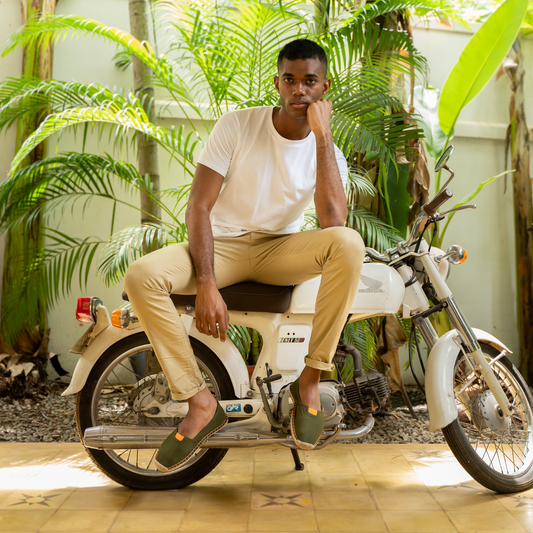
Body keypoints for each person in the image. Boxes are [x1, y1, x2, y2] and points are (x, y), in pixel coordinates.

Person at [124, 38, 365, 472]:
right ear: (277, 83)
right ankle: (199, 402)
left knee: (348, 243)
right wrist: (206, 282)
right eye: (289, 80)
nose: (299, 90)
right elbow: (198, 206)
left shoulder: (328, 150)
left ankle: (309, 380)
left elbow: (333, 221)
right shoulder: (237, 125)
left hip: (281, 249)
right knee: (142, 275)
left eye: (309, 81)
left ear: (324, 87)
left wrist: (323, 136)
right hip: (223, 246)